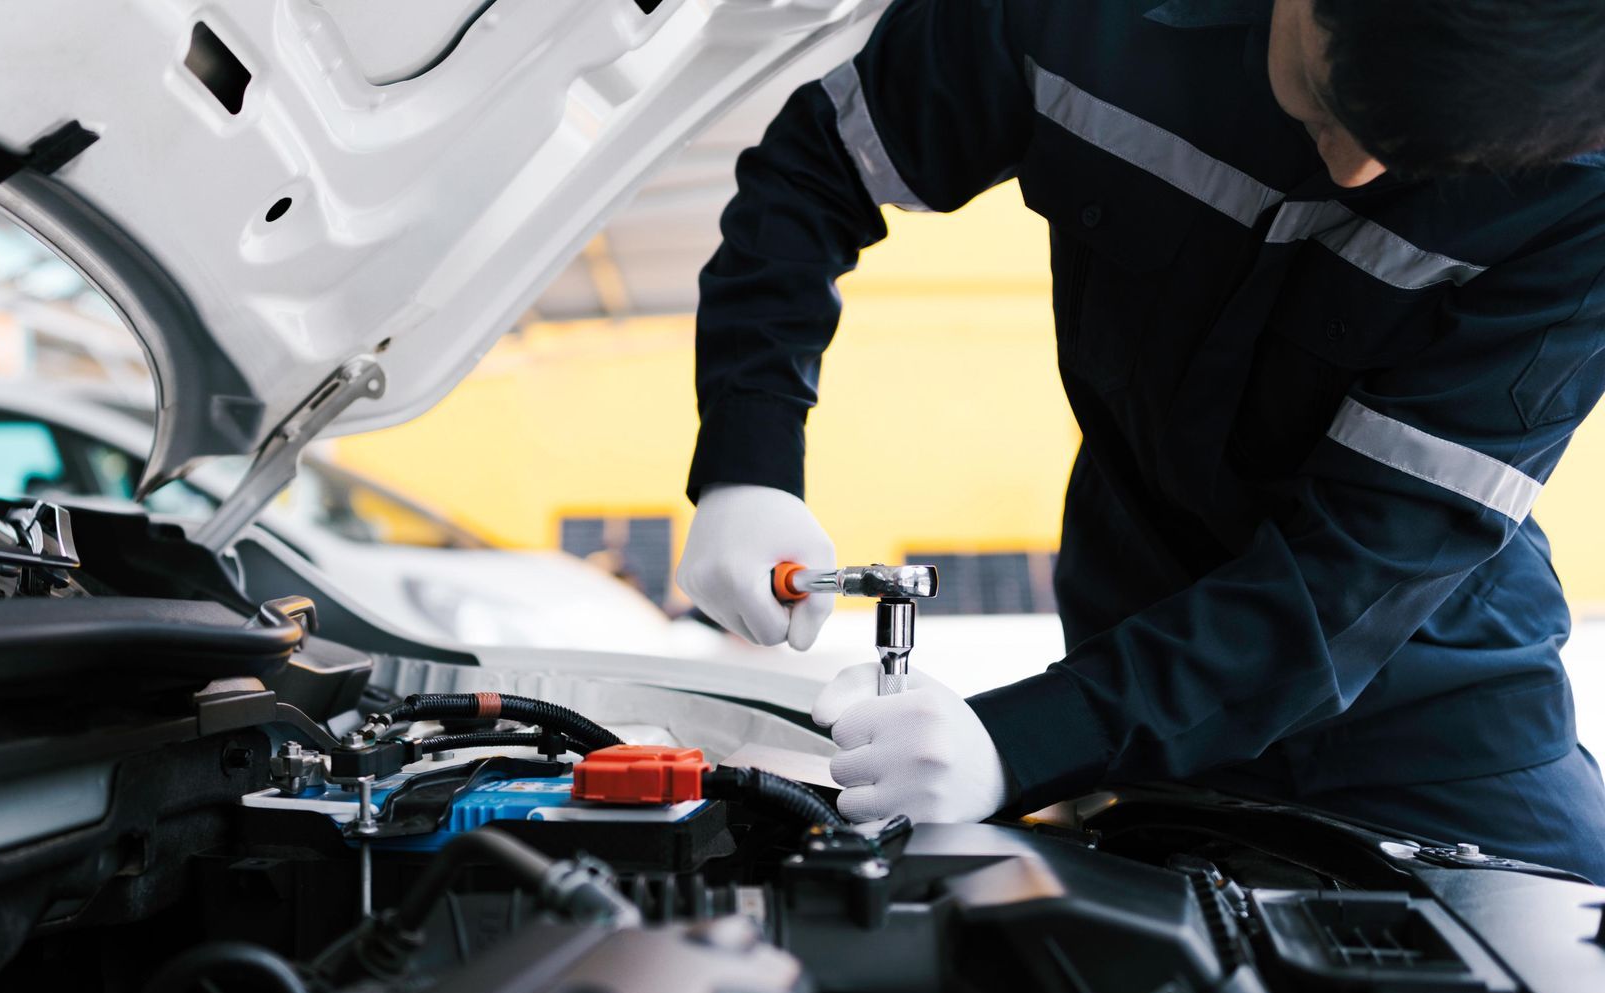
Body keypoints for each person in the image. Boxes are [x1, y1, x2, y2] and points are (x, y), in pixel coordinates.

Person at [674, 0, 1605, 879]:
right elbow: (820, 167)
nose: (1357, 171)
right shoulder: (1075, 13)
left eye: (1430, 161)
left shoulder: (1579, 198)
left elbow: (1364, 565)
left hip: (1439, 745)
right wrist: (747, 462)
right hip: (1139, 725)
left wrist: (1023, 741)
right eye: (1335, 102)